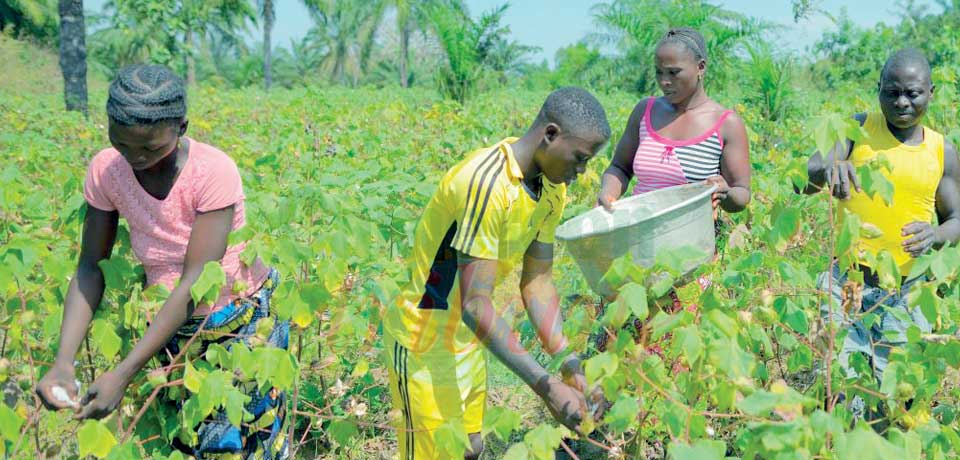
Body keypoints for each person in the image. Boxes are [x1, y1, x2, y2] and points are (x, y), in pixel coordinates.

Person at [34, 64, 289, 458]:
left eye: (151, 148)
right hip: (167, 324)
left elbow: (197, 279)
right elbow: (90, 267)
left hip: (237, 319)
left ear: (182, 126)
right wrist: (63, 361)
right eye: (122, 144)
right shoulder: (106, 171)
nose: (135, 158)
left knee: (247, 443)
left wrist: (123, 373)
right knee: (185, 442)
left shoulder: (212, 171)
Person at [381, 87, 611, 459]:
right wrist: (548, 387)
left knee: (471, 448)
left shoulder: (551, 189)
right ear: (550, 134)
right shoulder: (487, 182)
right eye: (580, 158)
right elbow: (475, 304)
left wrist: (569, 364)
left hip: (468, 342)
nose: (582, 172)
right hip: (424, 343)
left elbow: (537, 282)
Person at [803, 48, 960, 417]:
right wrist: (829, 168)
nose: (902, 102)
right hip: (845, 284)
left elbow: (956, 219)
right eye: (892, 92)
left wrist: (935, 236)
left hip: (906, 293)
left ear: (931, 92)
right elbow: (807, 175)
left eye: (913, 93)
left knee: (892, 402)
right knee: (838, 390)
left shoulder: (942, 150)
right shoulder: (856, 129)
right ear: (878, 90)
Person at [593, 27, 751, 350]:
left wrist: (724, 193)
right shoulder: (646, 111)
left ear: (701, 68)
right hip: (636, 246)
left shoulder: (726, 124)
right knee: (620, 345)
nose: (665, 81)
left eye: (674, 73)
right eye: (659, 73)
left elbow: (742, 193)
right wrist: (608, 191)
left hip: (690, 257)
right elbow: (619, 167)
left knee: (674, 348)